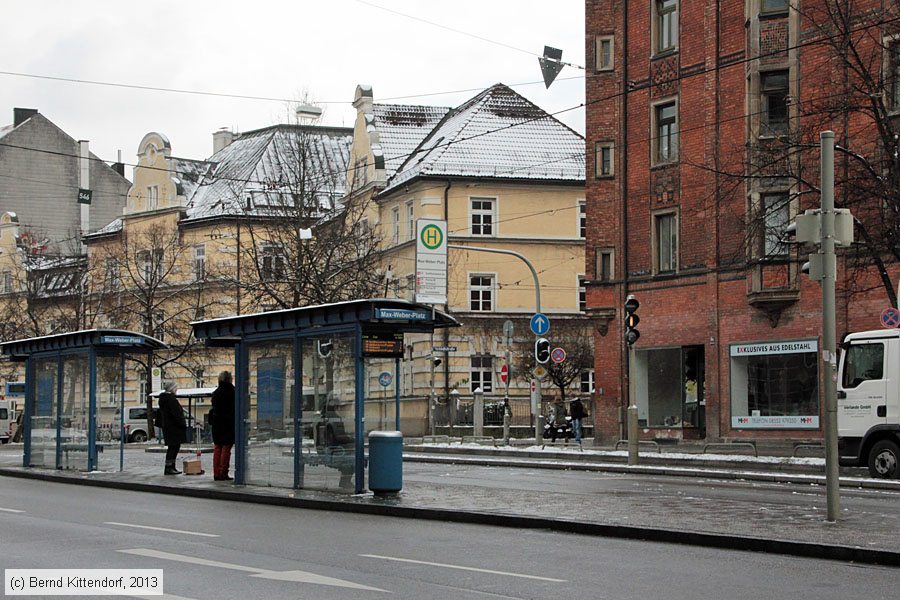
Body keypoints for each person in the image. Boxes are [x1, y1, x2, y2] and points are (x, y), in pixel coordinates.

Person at [210, 370, 235, 481]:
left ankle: (216, 473)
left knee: (217, 448)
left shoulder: (216, 392)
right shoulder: (232, 391)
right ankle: (223, 472)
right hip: (228, 424)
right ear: (229, 379)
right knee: (226, 448)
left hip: (216, 424)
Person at [158, 381, 186, 475]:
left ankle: (170, 466)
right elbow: (176, 414)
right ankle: (169, 467)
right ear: (172, 389)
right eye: (175, 387)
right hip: (174, 427)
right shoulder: (171, 400)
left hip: (168, 427)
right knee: (173, 447)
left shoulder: (164, 399)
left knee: (173, 447)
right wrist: (182, 423)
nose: (176, 389)